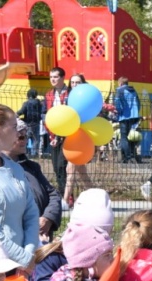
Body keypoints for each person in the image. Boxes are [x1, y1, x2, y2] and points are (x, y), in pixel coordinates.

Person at [0, 103, 40, 270]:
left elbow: (31, 214)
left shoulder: (15, 169)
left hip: (20, 269)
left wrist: (30, 251)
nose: (18, 133)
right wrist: (22, 257)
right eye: (13, 127)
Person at [4, 118, 62, 243]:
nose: (25, 141)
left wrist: (48, 218)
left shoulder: (33, 167)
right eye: (21, 137)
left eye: (27, 137)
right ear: (5, 138)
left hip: (42, 238)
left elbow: (53, 194)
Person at [61, 73, 95, 207]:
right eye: (73, 82)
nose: (75, 85)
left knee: (70, 170)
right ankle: (97, 198)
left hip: (82, 138)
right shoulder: (69, 99)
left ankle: (64, 201)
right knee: (82, 174)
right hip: (71, 137)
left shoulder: (86, 99)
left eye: (78, 82)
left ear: (83, 84)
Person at [45, 66, 69, 194]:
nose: (53, 79)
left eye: (55, 77)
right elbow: (46, 115)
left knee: (62, 165)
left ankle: (66, 194)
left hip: (67, 134)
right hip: (53, 134)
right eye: (51, 77)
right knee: (56, 167)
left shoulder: (70, 93)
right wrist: (51, 136)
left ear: (62, 78)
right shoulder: (49, 94)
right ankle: (63, 192)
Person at [115, 76, 142, 164]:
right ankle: (125, 156)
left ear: (121, 83)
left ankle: (128, 156)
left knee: (123, 138)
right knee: (126, 136)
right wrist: (136, 113)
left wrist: (119, 110)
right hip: (133, 116)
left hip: (123, 116)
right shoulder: (133, 91)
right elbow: (138, 103)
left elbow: (117, 101)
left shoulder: (120, 90)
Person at [17, 88, 45, 157]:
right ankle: (34, 153)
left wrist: (16, 115)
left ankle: (25, 153)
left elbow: (21, 112)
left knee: (25, 138)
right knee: (36, 140)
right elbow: (42, 112)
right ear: (36, 95)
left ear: (28, 95)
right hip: (36, 124)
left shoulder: (26, 103)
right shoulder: (39, 103)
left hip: (27, 123)